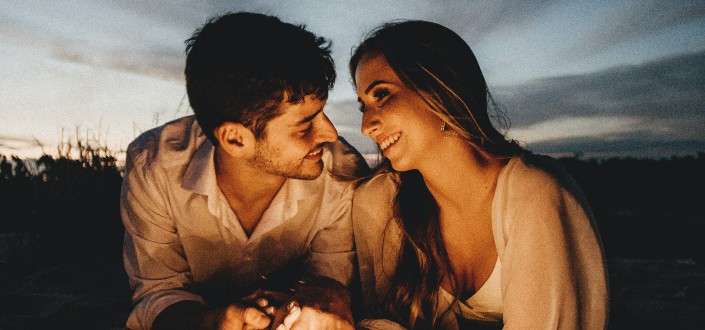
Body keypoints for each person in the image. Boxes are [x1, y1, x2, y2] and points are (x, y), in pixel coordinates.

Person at [349, 20, 608, 329]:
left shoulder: (533, 193)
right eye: (362, 106)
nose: (366, 126)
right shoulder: (381, 201)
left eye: (382, 95)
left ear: (441, 91)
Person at [120, 12, 368, 330]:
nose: (330, 134)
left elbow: (331, 281)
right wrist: (214, 322)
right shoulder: (153, 167)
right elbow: (157, 295)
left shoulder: (341, 171)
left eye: (322, 113)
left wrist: (324, 299)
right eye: (305, 123)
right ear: (236, 139)